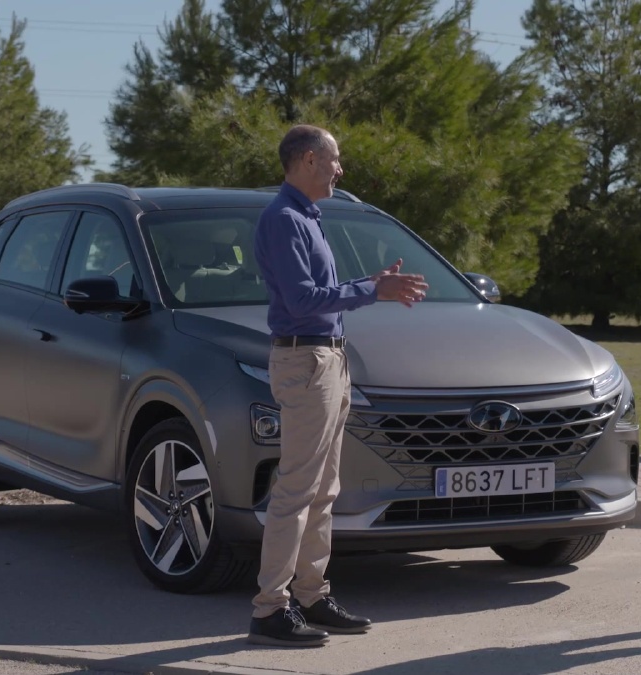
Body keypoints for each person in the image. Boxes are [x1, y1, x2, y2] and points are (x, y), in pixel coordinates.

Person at [248, 124, 429, 648]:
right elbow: (304, 299)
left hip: (327, 359)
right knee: (297, 490)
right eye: (335, 160)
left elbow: (320, 293)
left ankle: (311, 594)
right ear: (308, 159)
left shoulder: (306, 216)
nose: (340, 169)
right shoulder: (283, 219)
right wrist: (374, 290)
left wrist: (372, 286)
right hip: (306, 360)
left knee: (324, 489)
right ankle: (270, 608)